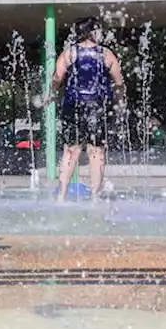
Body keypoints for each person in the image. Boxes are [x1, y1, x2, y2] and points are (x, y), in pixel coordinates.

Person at [50, 16, 124, 202]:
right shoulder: (106, 54)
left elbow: (57, 78)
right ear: (92, 32)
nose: (101, 33)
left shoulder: (69, 53)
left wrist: (52, 93)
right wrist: (120, 99)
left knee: (70, 150)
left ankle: (61, 195)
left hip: (72, 104)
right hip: (98, 105)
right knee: (96, 151)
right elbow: (119, 81)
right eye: (98, 29)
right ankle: (95, 197)